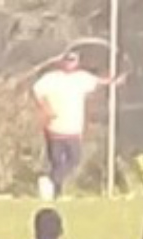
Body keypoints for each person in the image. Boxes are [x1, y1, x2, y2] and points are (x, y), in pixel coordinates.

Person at [31, 52, 124, 199]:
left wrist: (115, 80)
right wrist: (46, 108)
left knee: (74, 159)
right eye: (67, 60)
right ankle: (55, 191)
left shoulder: (82, 78)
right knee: (56, 161)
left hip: (73, 128)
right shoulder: (51, 78)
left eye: (72, 61)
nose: (70, 63)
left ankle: (51, 181)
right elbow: (37, 91)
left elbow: (101, 81)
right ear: (62, 62)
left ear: (77, 62)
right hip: (55, 127)